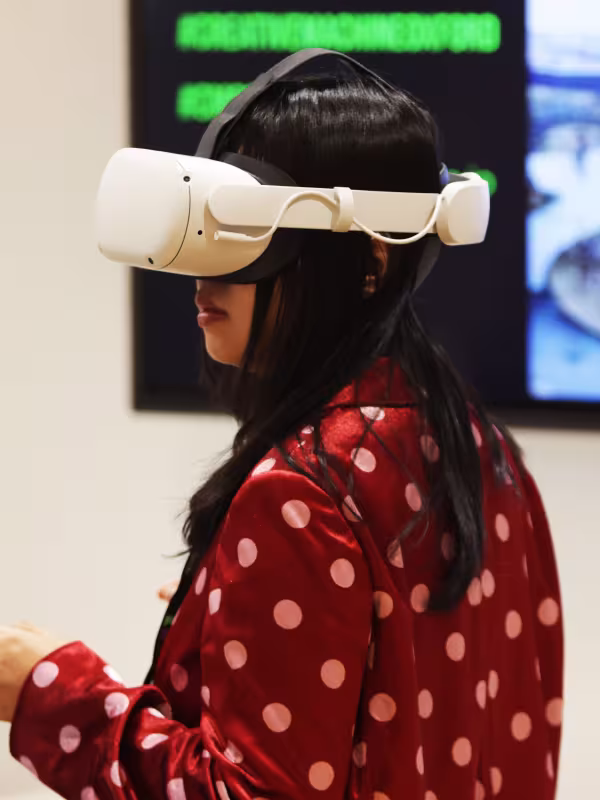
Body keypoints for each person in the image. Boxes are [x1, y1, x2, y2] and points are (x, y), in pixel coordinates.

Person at [1, 71, 563, 800]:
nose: (205, 271)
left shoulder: (303, 493)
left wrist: (52, 696)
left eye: (243, 227)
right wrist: (244, 607)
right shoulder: (480, 449)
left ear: (371, 261)